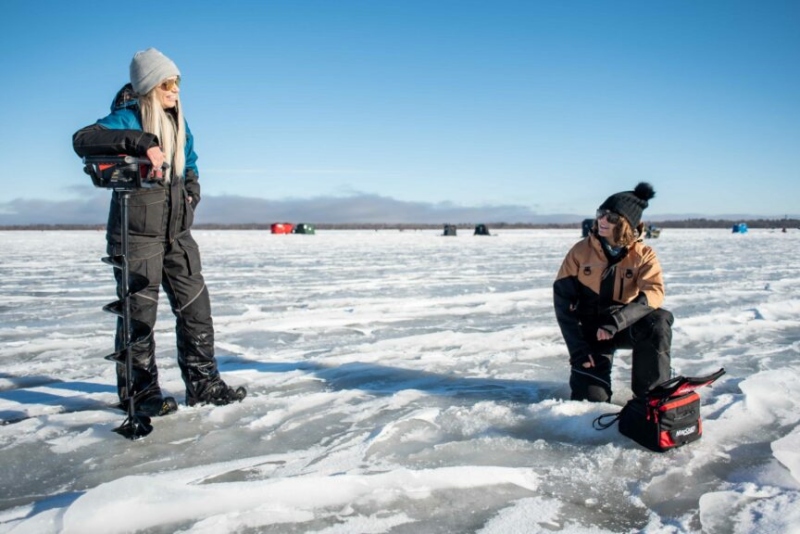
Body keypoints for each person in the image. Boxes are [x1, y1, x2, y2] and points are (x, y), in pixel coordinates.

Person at [73, 48, 246, 413]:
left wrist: (191, 193)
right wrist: (142, 142)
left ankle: (203, 384)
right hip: (136, 235)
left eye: (178, 83)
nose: (175, 90)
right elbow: (83, 139)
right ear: (150, 86)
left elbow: (192, 163)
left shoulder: (179, 124)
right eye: (168, 83)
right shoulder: (127, 118)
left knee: (196, 309)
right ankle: (140, 394)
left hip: (177, 235)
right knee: (139, 316)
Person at [553, 182, 672, 402]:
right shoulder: (580, 251)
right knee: (590, 403)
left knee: (659, 320)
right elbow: (563, 304)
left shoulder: (643, 254)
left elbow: (654, 293)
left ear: (627, 223)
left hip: (624, 324)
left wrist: (617, 321)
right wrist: (578, 350)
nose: (602, 220)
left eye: (612, 217)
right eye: (601, 214)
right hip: (592, 330)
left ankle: (651, 396)